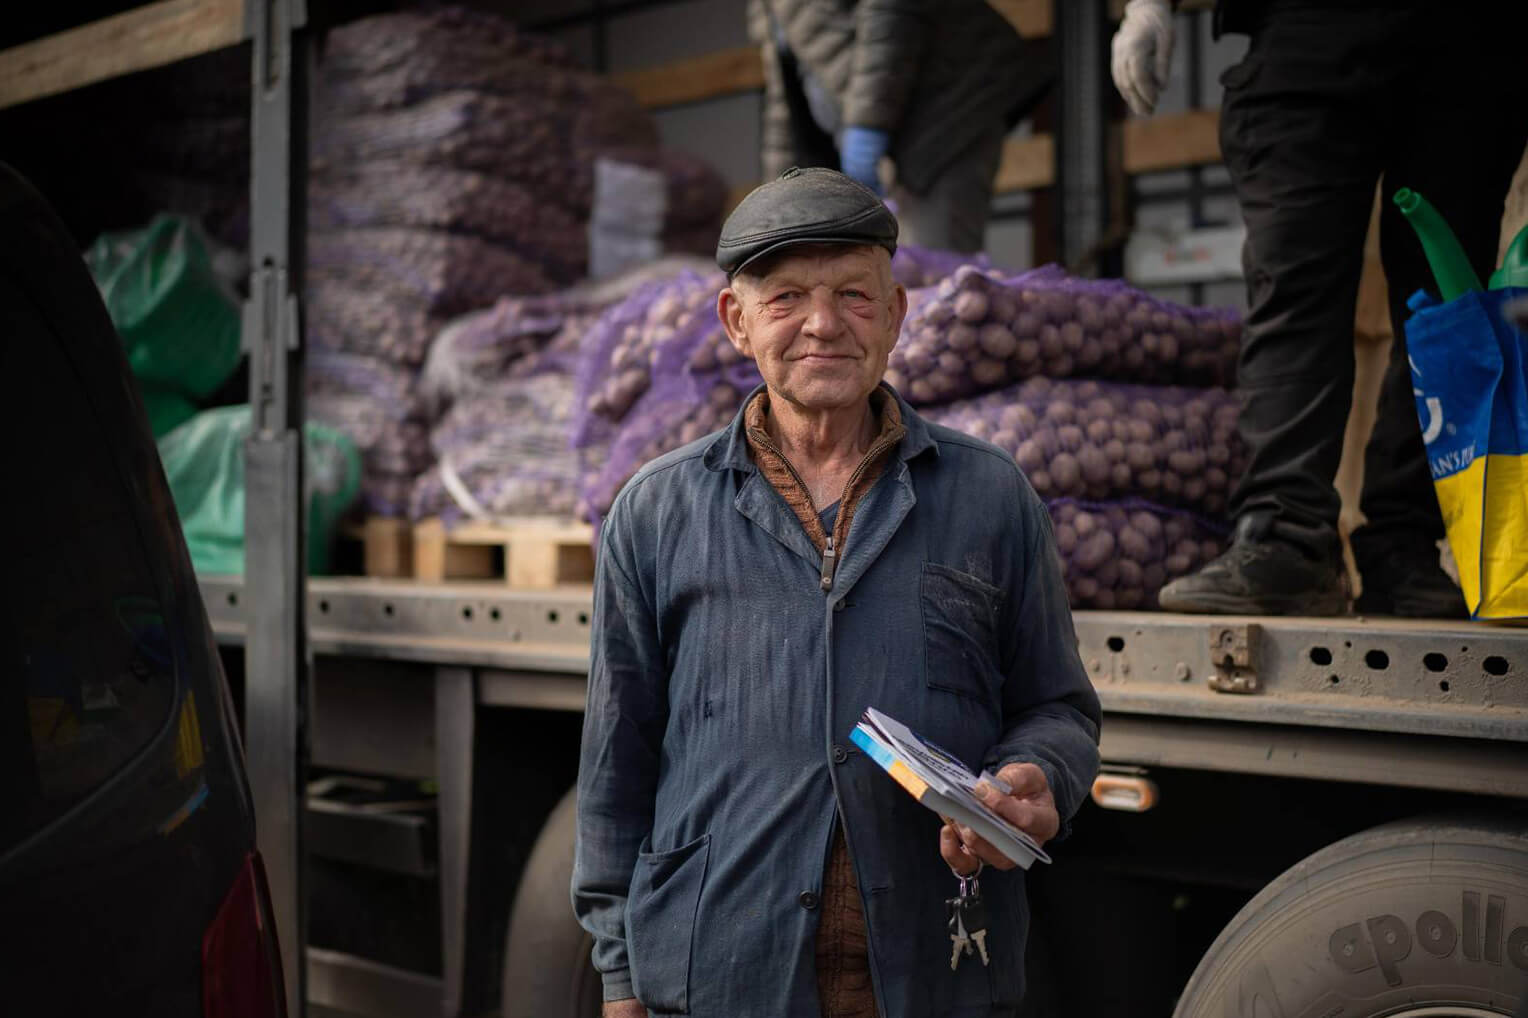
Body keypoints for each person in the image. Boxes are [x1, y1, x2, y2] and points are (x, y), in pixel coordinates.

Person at [572, 167, 1101, 1018]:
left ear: (895, 315)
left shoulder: (989, 494)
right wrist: (620, 981)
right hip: (722, 975)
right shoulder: (657, 511)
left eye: (854, 295)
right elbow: (615, 762)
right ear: (737, 322)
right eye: (785, 299)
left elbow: (1057, 706)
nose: (823, 324)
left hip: (933, 971)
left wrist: (1035, 777)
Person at [1110, 0, 1528, 615]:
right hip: (1306, 23)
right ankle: (1285, 537)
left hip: (1471, 35)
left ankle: (1404, 544)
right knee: (1294, 284)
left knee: (1446, 302)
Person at [748, 0, 1054, 253]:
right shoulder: (767, 8)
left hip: (945, 110)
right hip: (877, 132)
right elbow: (785, 97)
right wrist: (778, 198)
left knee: (933, 267)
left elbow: (890, 14)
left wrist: (867, 128)